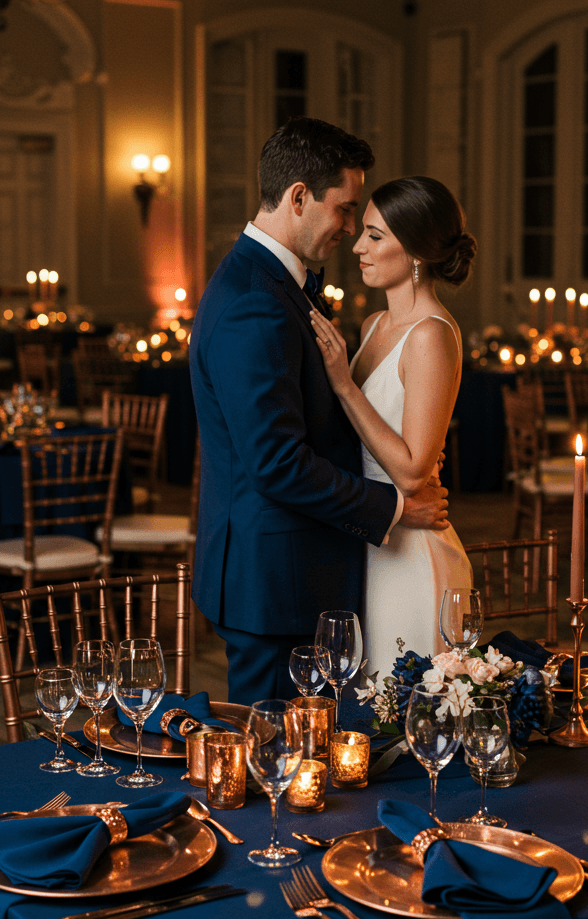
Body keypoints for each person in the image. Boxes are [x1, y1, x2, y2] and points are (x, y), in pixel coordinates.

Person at [189, 118, 449, 706]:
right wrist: (395, 508)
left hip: (302, 570)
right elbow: (277, 463)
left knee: (312, 756)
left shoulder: (273, 285)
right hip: (276, 581)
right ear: (300, 197)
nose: (352, 229)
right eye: (346, 209)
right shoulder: (254, 302)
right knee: (275, 759)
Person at [309, 175, 477, 680]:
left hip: (411, 554)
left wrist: (343, 384)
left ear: (418, 251)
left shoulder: (431, 336)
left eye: (375, 235)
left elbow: (410, 472)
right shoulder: (374, 327)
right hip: (371, 537)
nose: (358, 246)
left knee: (406, 713)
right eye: (362, 231)